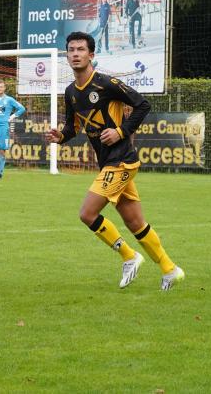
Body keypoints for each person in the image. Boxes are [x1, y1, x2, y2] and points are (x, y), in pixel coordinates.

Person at [46, 32, 184, 291]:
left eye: (80, 49)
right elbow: (73, 127)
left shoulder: (107, 84)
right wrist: (60, 136)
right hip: (109, 162)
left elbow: (143, 105)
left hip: (121, 161)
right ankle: (170, 269)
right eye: (71, 50)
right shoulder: (70, 92)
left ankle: (129, 256)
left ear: (91, 55)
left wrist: (121, 131)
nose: (75, 54)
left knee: (87, 214)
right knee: (135, 223)